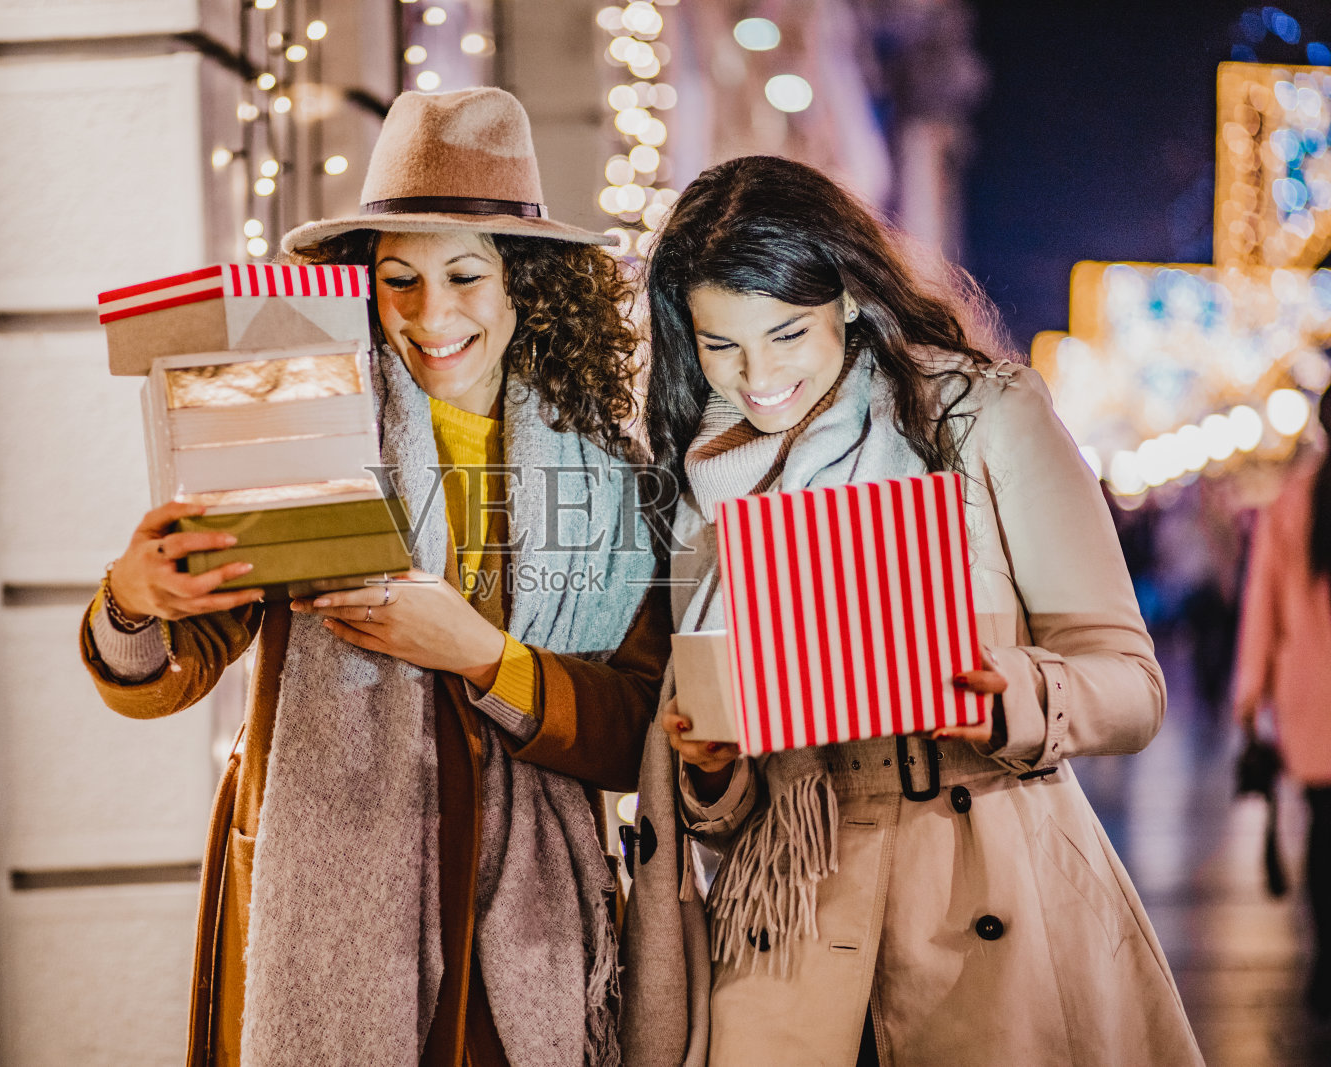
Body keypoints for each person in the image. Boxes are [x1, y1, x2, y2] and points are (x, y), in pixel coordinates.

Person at [79, 88, 669, 1067]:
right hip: (322, 914)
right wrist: (135, 596)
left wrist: (485, 658)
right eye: (400, 280)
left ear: (522, 285)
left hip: (518, 939)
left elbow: (635, 729)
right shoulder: (300, 427)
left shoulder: (613, 481)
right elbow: (166, 668)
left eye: (464, 275)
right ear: (363, 287)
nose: (432, 314)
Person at [619, 155, 1201, 1066]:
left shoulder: (980, 415)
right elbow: (725, 800)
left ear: (848, 297)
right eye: (720, 344)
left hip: (989, 897)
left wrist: (1013, 694)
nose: (756, 376)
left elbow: (1134, 685)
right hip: (789, 925)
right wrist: (711, 768)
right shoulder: (702, 476)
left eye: (787, 333)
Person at [1234, 394, 1331, 1015]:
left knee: (1324, 828)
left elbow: (1261, 603)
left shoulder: (1292, 500)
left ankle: (1326, 964)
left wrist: (1251, 696)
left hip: (1312, 698)